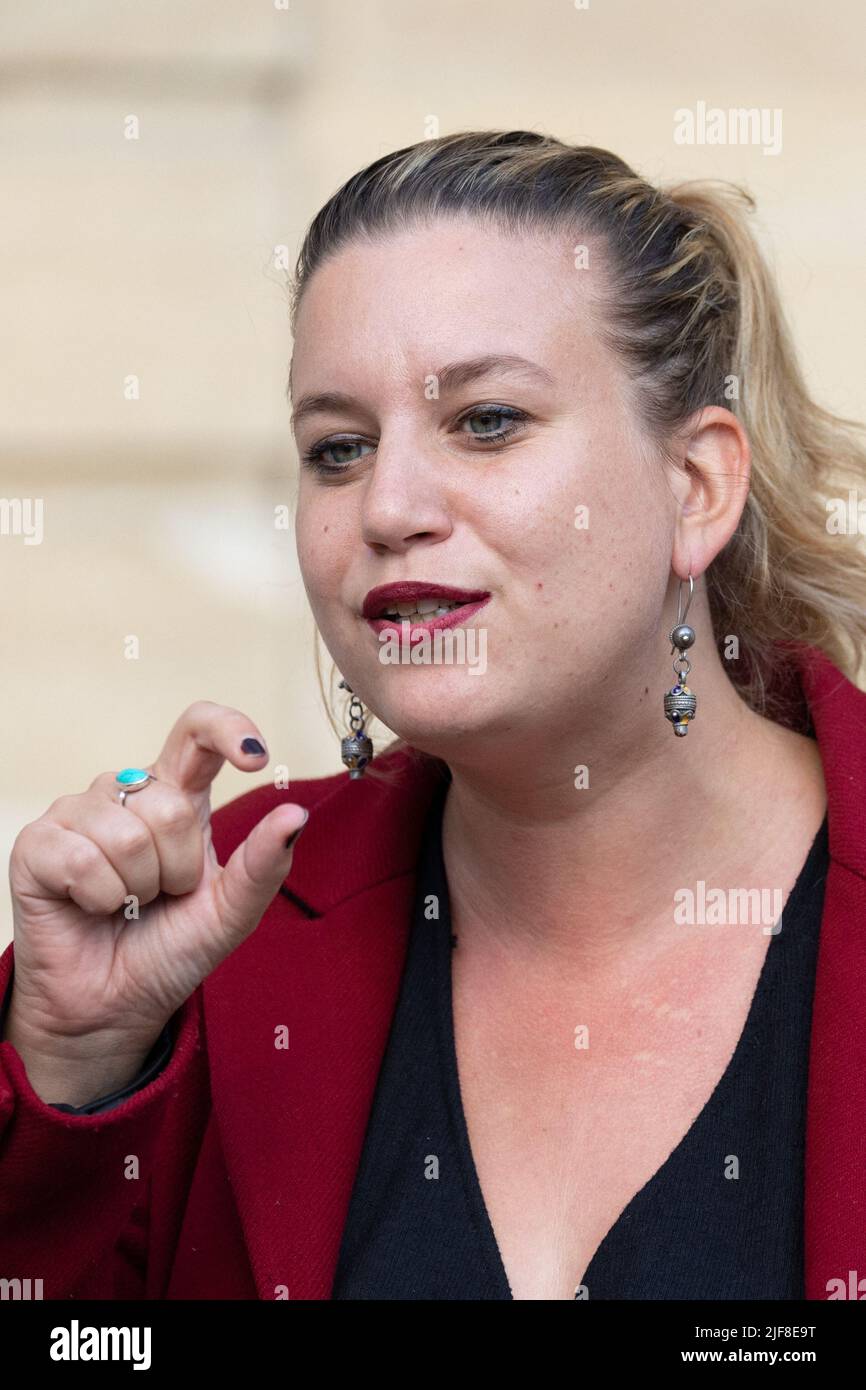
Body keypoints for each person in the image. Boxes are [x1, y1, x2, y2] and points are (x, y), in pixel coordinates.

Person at [2, 130, 865, 1302]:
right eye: (338, 449)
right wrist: (74, 1075)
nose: (388, 506)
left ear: (696, 486)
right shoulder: (207, 939)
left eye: (487, 421)